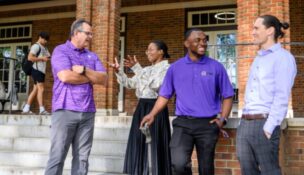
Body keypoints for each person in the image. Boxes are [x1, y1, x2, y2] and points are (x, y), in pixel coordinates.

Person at [140, 28, 234, 175]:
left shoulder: (216, 67)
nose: (203, 43)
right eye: (198, 40)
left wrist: (222, 119)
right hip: (183, 123)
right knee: (178, 164)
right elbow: (164, 95)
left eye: (205, 40)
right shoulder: (175, 68)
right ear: (186, 43)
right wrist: (152, 114)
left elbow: (228, 95)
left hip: (207, 124)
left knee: (206, 168)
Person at [44, 19, 107, 175]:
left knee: (82, 159)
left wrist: (84, 70)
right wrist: (92, 77)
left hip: (88, 112)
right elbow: (65, 76)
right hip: (65, 110)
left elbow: (104, 79)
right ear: (76, 33)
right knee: (57, 156)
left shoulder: (92, 56)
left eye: (92, 34)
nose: (91, 36)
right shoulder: (61, 51)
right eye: (88, 33)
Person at [236, 15, 297, 175]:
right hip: (245, 123)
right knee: (247, 171)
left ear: (270, 30)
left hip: (264, 123)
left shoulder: (283, 58)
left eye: (256, 28)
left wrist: (269, 127)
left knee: (270, 171)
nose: (253, 32)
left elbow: (282, 96)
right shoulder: (259, 58)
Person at [110, 40, 172, 175]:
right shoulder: (146, 69)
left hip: (156, 107)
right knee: (139, 142)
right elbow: (130, 84)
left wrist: (137, 69)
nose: (147, 52)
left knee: (155, 143)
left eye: (151, 49)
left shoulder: (168, 69)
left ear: (161, 52)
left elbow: (155, 85)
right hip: (141, 107)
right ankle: (139, 171)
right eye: (147, 49)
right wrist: (119, 72)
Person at [22, 31, 51, 115]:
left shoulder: (44, 47)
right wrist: (42, 58)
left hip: (41, 71)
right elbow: (30, 57)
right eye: (45, 40)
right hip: (36, 70)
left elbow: (48, 56)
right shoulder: (35, 46)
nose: (46, 41)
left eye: (47, 40)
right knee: (41, 89)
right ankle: (42, 109)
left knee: (35, 89)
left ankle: (26, 108)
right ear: (40, 37)